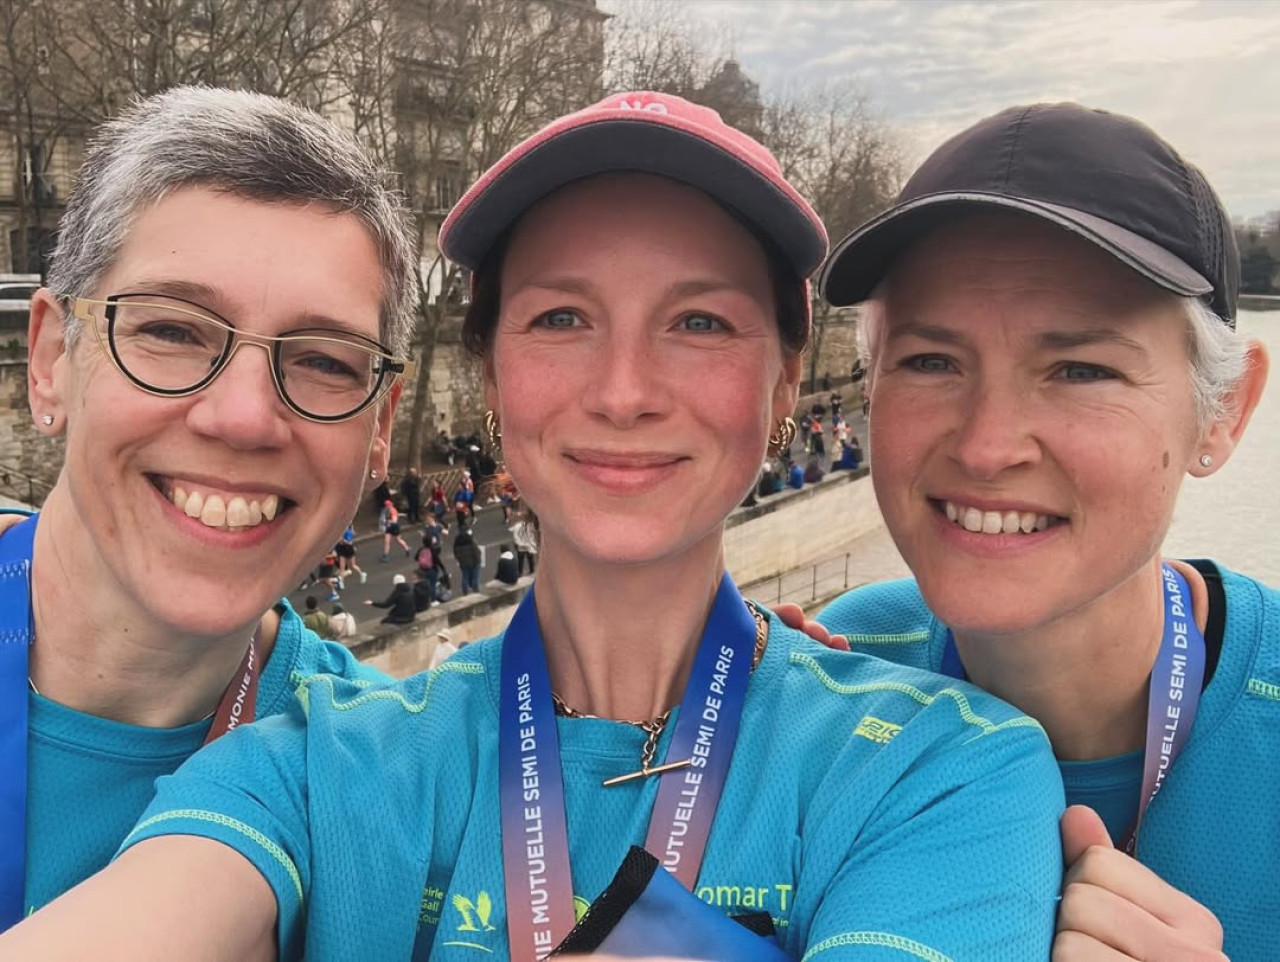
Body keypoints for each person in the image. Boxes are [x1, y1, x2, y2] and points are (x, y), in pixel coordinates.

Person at [2, 90, 1063, 961]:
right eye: (561, 316)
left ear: (785, 380)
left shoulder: (945, 763)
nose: (623, 388)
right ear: (493, 381)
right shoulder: (311, 757)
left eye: (698, 321)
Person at [815, 103, 1273, 960]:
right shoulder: (823, 676)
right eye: (931, 362)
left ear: (1225, 412)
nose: (988, 447)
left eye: (1080, 370)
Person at [0, 85, 417, 934]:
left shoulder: (402, 780)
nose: (243, 417)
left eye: (325, 362)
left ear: (381, 427)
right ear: (50, 360)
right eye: (173, 331)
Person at [453, 526, 483, 595]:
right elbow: (477, 552)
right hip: (474, 562)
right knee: (475, 578)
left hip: (463, 563)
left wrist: (460, 560)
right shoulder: (471, 540)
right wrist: (478, 561)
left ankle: (465, 592)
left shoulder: (457, 541)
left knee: (465, 578)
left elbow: (455, 553)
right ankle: (476, 591)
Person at [509, 507, 538, 576]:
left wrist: (519, 544)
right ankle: (532, 571)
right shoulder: (530, 525)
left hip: (521, 547)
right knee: (530, 559)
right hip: (528, 546)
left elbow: (515, 536)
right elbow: (532, 535)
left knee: (520, 560)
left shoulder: (517, 526)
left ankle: (520, 572)